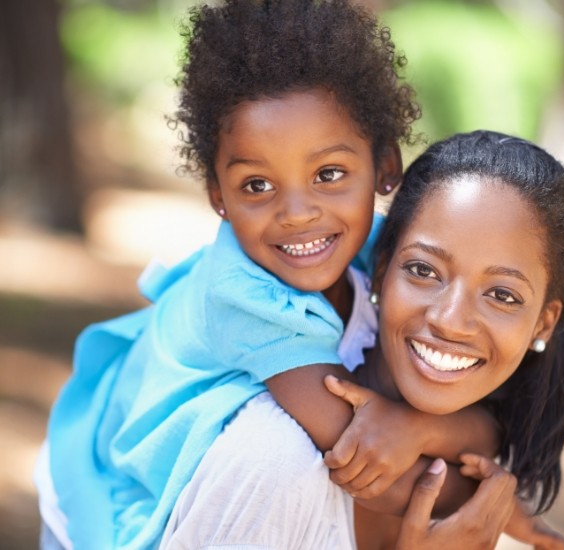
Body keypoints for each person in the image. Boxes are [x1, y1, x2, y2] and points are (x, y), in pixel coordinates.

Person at [36, 2, 501, 549]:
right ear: (218, 196)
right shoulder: (245, 297)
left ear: (385, 168)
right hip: (109, 495)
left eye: (328, 174)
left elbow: (471, 426)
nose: (298, 213)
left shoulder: (383, 251)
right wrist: (494, 503)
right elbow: (362, 463)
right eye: (257, 185)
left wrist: (426, 429)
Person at [320, 130, 564, 548]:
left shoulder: (475, 486)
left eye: (502, 295)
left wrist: (424, 431)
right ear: (381, 269)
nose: (451, 321)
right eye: (424, 271)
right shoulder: (273, 446)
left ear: (543, 324)